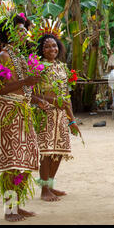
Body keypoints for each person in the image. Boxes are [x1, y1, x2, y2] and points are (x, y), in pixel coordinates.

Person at [0, 12, 50, 222]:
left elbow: (24, 88)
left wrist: (38, 100)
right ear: (9, 34)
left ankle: (16, 205)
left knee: (28, 158)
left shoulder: (19, 57)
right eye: (20, 29)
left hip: (23, 112)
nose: (25, 32)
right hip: (9, 113)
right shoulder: (3, 57)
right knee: (12, 162)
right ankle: (9, 210)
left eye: (25, 29)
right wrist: (26, 81)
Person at [33, 19, 81, 202]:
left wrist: (72, 120)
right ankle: (44, 190)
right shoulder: (37, 66)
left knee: (59, 152)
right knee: (47, 152)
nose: (51, 49)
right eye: (47, 47)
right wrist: (49, 100)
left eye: (54, 46)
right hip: (46, 114)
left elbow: (66, 95)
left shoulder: (61, 67)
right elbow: (33, 93)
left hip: (61, 115)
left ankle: (50, 186)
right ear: (41, 49)